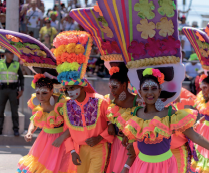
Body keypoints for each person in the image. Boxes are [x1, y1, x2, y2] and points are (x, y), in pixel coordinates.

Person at [121, 68, 209, 173]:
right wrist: (126, 166)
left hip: (165, 166)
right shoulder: (136, 113)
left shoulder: (169, 114)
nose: (150, 92)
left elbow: (196, 137)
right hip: (142, 166)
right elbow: (132, 144)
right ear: (140, 92)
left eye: (153, 88)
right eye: (145, 89)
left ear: (159, 90)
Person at [53, 30, 114, 172]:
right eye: (67, 89)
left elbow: (112, 123)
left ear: (81, 85)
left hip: (99, 148)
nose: (70, 92)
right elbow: (67, 130)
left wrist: (100, 138)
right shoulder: (67, 106)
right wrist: (72, 152)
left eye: (72, 87)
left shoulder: (100, 101)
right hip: (79, 150)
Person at [17, 74, 71, 173]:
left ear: (52, 91)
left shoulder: (62, 104)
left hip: (60, 140)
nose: (40, 96)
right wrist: (30, 132)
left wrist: (62, 138)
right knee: (38, 167)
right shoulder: (35, 102)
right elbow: (35, 119)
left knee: (55, 167)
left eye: (44, 93)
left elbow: (72, 126)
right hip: (43, 139)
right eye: (37, 93)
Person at [106, 65, 142, 173]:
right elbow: (109, 115)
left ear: (124, 84)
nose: (112, 91)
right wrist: (110, 124)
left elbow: (144, 122)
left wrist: (129, 134)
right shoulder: (113, 100)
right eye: (110, 87)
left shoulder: (138, 101)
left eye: (115, 87)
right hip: (118, 143)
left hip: (132, 146)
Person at [0, 49, 24, 136]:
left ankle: (16, 129)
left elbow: (21, 77)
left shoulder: (16, 64)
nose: (12, 55)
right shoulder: (0, 63)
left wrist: (22, 90)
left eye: (13, 53)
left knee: (14, 110)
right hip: (2, 90)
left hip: (13, 90)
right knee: (0, 110)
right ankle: (0, 129)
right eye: (10, 53)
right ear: (5, 54)